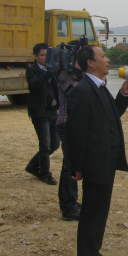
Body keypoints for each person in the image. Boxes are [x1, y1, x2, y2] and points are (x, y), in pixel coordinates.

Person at [67, 45, 128, 256]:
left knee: (99, 214)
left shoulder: (98, 86)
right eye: (103, 56)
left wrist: (123, 94)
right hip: (95, 163)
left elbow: (111, 114)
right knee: (91, 216)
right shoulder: (82, 91)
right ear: (90, 63)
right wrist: (77, 167)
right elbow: (75, 132)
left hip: (105, 160)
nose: (107, 60)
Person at [25, 42, 60, 185]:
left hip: (54, 111)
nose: (45, 58)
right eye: (43, 55)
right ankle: (45, 174)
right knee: (45, 144)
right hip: (40, 112)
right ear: (35, 56)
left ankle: (33, 165)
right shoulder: (31, 70)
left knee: (54, 144)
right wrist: (49, 72)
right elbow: (36, 84)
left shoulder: (54, 69)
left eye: (47, 55)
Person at [56, 65, 81, 221]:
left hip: (73, 124)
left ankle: (69, 201)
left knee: (69, 164)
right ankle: (68, 207)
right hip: (66, 124)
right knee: (70, 166)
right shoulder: (63, 74)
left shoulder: (80, 75)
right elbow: (73, 94)